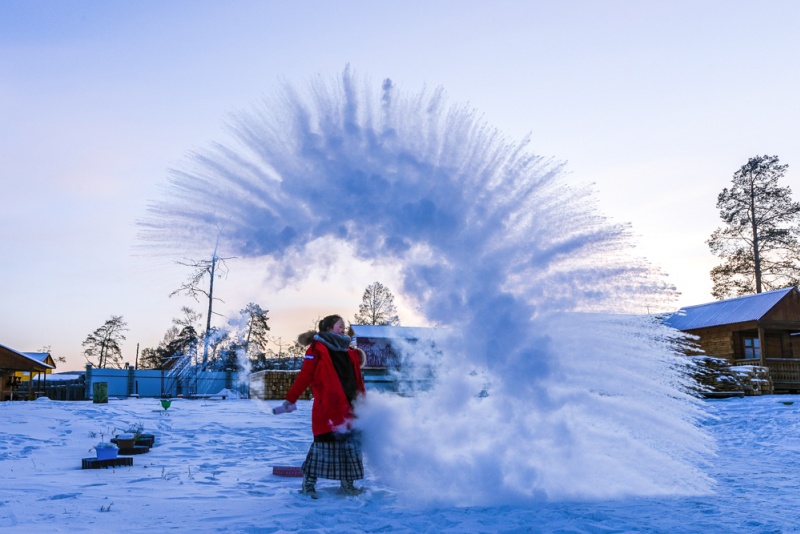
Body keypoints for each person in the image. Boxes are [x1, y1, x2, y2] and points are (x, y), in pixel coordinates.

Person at [275, 314, 367, 498]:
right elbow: (305, 376)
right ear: (327, 328)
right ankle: (308, 485)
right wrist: (291, 399)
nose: (343, 328)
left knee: (351, 446)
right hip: (328, 409)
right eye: (339, 325)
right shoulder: (317, 348)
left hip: (350, 407)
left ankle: (347, 485)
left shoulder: (350, 352)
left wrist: (365, 403)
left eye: (343, 326)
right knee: (322, 448)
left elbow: (358, 381)